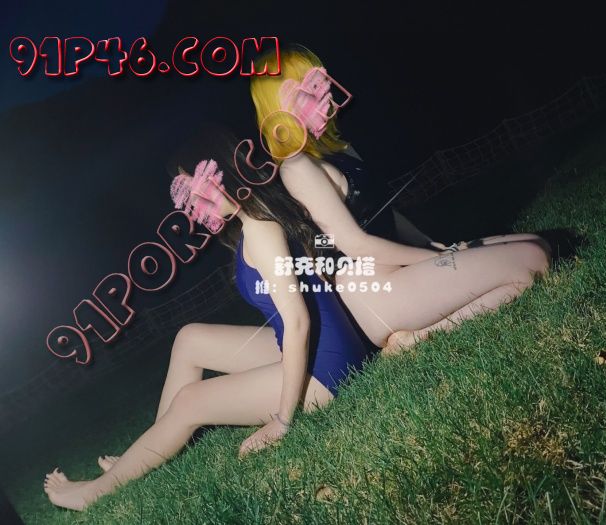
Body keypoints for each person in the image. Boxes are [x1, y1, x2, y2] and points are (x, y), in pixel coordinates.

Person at [42, 129, 377, 511]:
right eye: (189, 194)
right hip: (323, 345)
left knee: (191, 401)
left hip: (326, 371)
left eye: (198, 188)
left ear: (223, 173)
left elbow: (298, 321)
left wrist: (283, 421)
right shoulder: (263, 214)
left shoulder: (261, 229)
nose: (195, 204)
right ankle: (153, 444)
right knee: (191, 338)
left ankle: (96, 492)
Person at [249, 45, 552, 354]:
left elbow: (386, 214)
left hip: (398, 271)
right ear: (282, 102)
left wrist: (431, 245)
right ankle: (417, 338)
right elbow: (355, 245)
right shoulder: (297, 167)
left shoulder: (338, 149)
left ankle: (418, 326)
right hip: (375, 294)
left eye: (321, 82)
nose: (325, 93)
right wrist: (431, 258)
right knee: (533, 259)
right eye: (311, 87)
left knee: (537, 244)